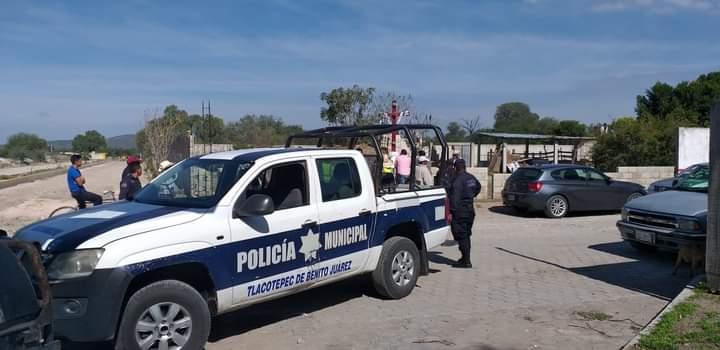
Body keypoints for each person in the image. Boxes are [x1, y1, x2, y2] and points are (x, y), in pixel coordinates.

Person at [447, 159, 481, 268]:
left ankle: (466, 261)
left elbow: (455, 198)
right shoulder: (471, 177)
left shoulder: (456, 181)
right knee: (466, 235)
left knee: (461, 236)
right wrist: (471, 195)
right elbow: (478, 187)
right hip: (470, 210)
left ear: (456, 168)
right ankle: (465, 258)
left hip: (460, 211)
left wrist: (451, 212)